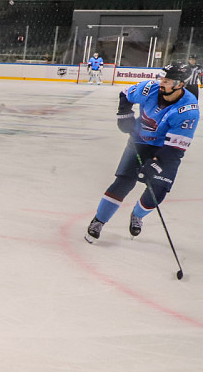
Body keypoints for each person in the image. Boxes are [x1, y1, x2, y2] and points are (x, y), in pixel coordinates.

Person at [84, 63, 197, 243]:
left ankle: (137, 215)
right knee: (123, 182)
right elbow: (125, 95)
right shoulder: (148, 88)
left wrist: (155, 163)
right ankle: (99, 220)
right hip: (140, 140)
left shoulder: (188, 111)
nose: (161, 83)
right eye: (162, 78)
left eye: (166, 81)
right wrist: (124, 115)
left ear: (180, 84)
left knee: (157, 192)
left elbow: (176, 148)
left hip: (166, 149)